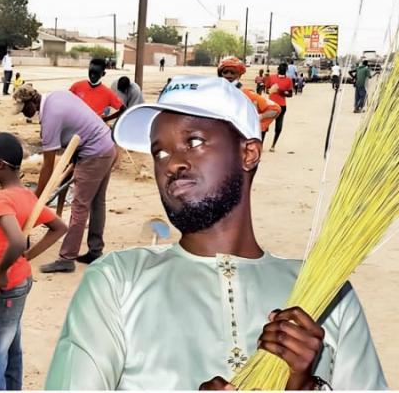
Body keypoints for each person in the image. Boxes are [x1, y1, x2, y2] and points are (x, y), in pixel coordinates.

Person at [45, 75, 387, 390]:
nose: (171, 164)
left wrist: (303, 386)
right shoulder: (116, 282)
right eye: (159, 152)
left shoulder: (330, 297)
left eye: (194, 141)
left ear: (249, 153)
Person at [0, 132, 67, 390]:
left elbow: (16, 241)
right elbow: (59, 227)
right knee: (10, 348)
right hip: (19, 283)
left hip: (3, 289)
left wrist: (1, 271)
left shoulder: (1, 199)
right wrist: (29, 257)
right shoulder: (26, 195)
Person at [12, 84, 116, 272]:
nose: (24, 115)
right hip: (107, 144)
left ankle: (66, 258)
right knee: (97, 202)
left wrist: (35, 201)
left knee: (80, 205)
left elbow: (48, 166)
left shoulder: (50, 118)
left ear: (32, 103)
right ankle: (95, 250)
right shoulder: (55, 95)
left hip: (94, 153)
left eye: (24, 110)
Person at [217, 56, 281, 141]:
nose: (229, 75)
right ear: (220, 74)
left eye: (232, 73)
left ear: (239, 75)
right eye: (225, 72)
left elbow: (275, 109)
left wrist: (258, 117)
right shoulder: (213, 94)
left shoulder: (246, 95)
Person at [264, 63, 293, 152]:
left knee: (278, 127)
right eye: (280, 68)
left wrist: (282, 92)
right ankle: (261, 144)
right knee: (265, 125)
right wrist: (271, 90)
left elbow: (290, 94)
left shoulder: (288, 80)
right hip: (270, 105)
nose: (281, 70)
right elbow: (267, 90)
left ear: (286, 70)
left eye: (283, 69)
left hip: (281, 106)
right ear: (278, 69)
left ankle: (273, 145)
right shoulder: (271, 78)